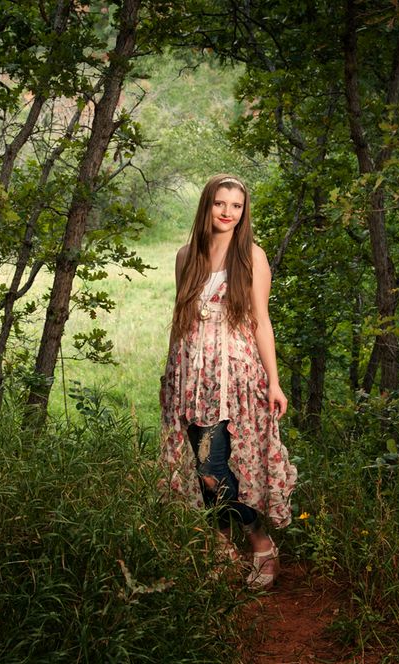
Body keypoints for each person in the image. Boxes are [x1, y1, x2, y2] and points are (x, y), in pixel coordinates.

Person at [159, 173, 297, 590]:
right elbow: (180, 320)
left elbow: (261, 322)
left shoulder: (251, 257)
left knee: (219, 466)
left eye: (236, 206)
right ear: (208, 206)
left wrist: (274, 382)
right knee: (200, 466)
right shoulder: (187, 256)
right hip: (191, 377)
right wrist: (171, 377)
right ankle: (219, 548)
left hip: (233, 377)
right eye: (221, 203)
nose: (228, 212)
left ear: (243, 212)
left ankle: (260, 544)